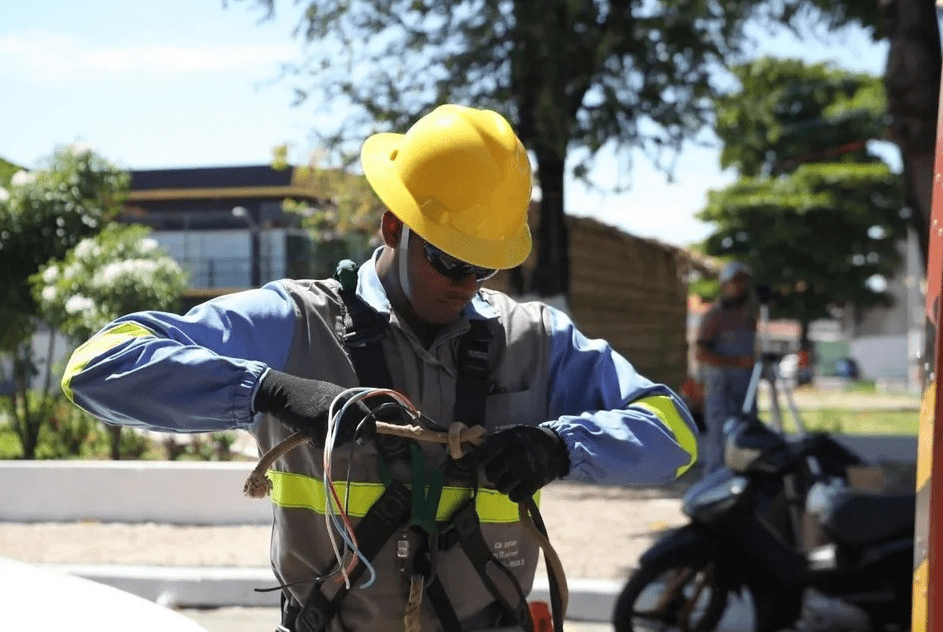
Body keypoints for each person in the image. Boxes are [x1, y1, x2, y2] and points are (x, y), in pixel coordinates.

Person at [61, 104, 698, 632]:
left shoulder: (533, 339)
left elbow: (673, 433)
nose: (464, 284)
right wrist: (267, 390)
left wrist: (560, 446)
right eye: (448, 260)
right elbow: (97, 366)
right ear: (395, 226)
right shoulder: (295, 323)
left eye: (483, 267)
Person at [694, 261, 758, 475]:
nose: (740, 286)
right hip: (721, 387)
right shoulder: (714, 316)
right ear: (724, 285)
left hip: (746, 387)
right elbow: (701, 353)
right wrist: (736, 363)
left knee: (746, 436)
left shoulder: (749, 316)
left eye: (744, 281)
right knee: (721, 437)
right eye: (735, 281)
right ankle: (714, 480)